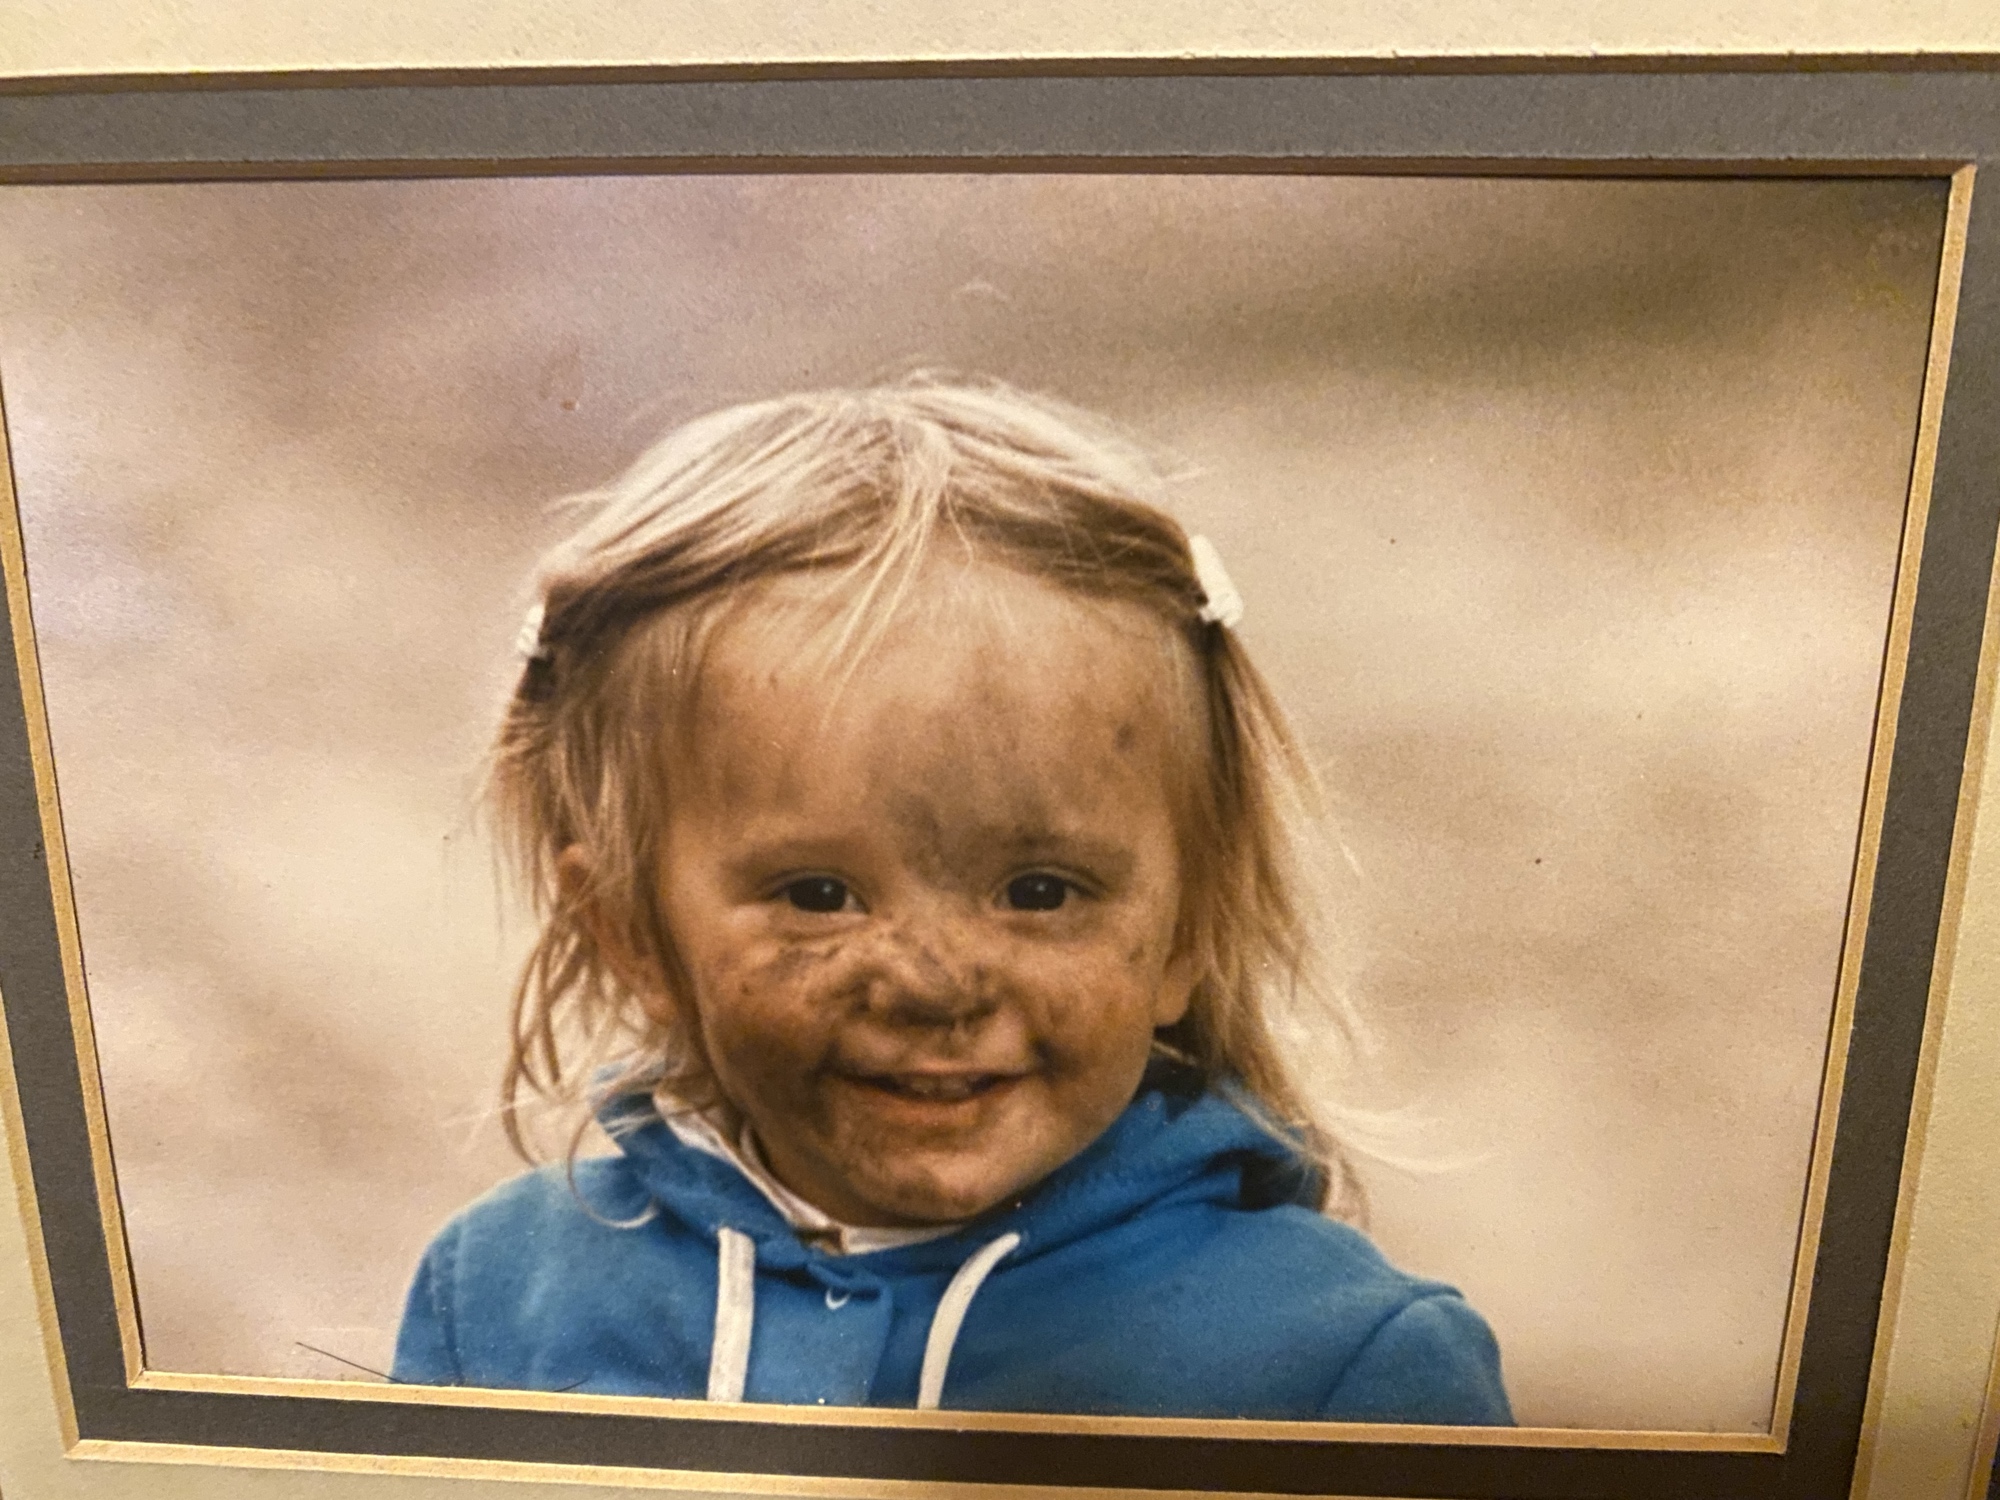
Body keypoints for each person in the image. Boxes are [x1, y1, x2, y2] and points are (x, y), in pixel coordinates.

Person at [391, 377, 1511, 1424]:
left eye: (1039, 891)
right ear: (630, 931)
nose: (934, 983)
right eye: (820, 895)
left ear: (1187, 932)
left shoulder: (1338, 1368)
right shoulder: (496, 1299)